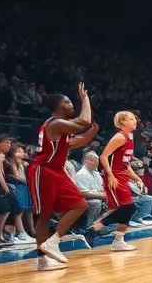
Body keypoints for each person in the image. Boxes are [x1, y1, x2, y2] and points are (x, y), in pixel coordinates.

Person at [28, 84, 100, 269]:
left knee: (80, 204)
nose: (71, 104)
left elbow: (79, 140)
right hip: (43, 170)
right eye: (68, 102)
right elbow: (83, 120)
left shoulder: (63, 130)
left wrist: (92, 131)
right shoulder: (56, 123)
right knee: (44, 215)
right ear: (59, 107)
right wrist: (85, 99)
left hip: (57, 171)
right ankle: (42, 260)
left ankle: (54, 240)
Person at [82, 111, 140, 252]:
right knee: (128, 208)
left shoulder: (130, 138)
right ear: (122, 123)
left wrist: (137, 178)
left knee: (126, 209)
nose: (134, 121)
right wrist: (110, 175)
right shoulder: (119, 137)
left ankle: (118, 240)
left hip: (123, 176)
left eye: (134, 119)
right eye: (130, 119)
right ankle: (93, 229)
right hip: (114, 177)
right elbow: (103, 157)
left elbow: (126, 164)